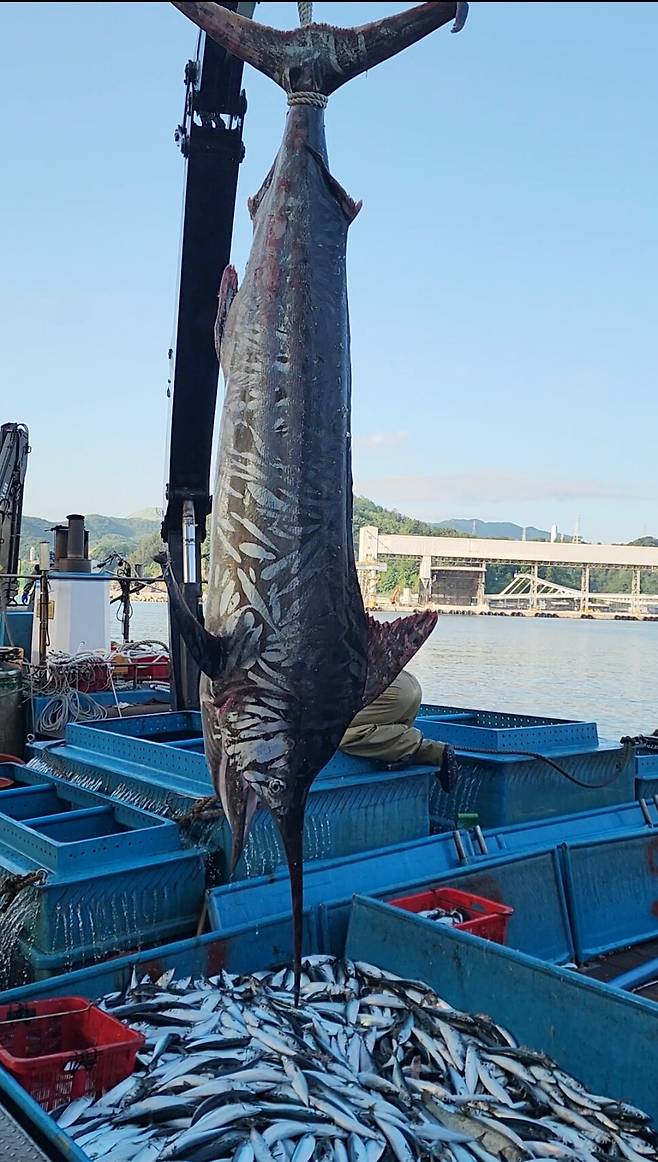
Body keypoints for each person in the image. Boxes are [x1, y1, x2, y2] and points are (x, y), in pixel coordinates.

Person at [340, 669, 457, 792]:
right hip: (406, 682)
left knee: (334, 735)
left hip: (384, 691)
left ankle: (421, 748)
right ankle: (399, 752)